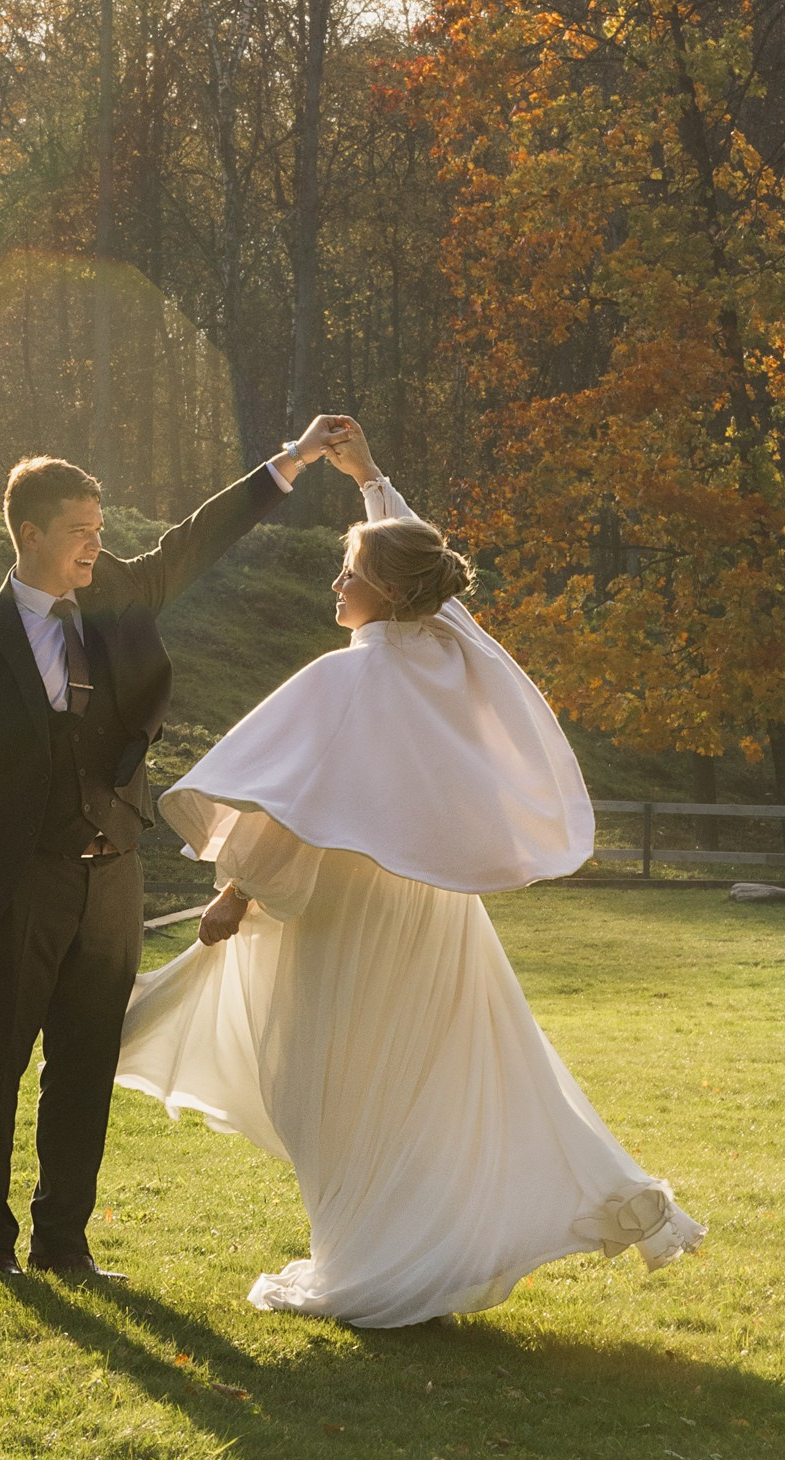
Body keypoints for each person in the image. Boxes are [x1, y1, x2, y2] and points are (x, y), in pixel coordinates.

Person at [115, 420, 703, 1326]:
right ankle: (408, 1245)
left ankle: (373, 1262)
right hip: (427, 913)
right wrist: (370, 483)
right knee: (420, 1076)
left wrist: (232, 895)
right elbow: (437, 592)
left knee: (334, 1085)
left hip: (345, 917)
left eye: (349, 573)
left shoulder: (346, 683)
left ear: (388, 594)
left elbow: (295, 811)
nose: (335, 583)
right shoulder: (446, 662)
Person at [0, 420, 353, 1280]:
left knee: (84, 1066)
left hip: (111, 879)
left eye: (99, 532)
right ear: (28, 535)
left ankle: (63, 1244)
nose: (94, 546)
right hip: (13, 883)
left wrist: (289, 461)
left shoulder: (120, 594)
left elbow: (197, 538)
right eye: (79, 532)